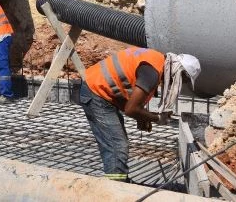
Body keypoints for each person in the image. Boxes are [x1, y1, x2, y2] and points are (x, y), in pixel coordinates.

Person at [79, 47, 201, 182]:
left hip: (101, 88)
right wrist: (157, 118)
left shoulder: (157, 61)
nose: (177, 84)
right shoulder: (153, 73)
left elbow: (131, 91)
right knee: (117, 146)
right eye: (183, 81)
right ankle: (115, 186)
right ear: (180, 72)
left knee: (117, 144)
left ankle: (119, 180)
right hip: (97, 92)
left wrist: (142, 117)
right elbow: (131, 109)